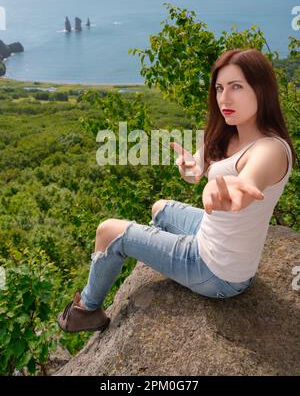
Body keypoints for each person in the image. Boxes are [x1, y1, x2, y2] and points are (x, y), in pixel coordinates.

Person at [57, 48, 296, 333]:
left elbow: (247, 184)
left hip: (218, 274)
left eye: (237, 87)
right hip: (215, 238)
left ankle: (85, 310)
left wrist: (230, 194)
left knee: (108, 232)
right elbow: (197, 170)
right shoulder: (229, 133)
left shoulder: (270, 149)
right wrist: (191, 168)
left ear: (262, 90)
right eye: (219, 88)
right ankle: (161, 251)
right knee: (160, 208)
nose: (224, 98)